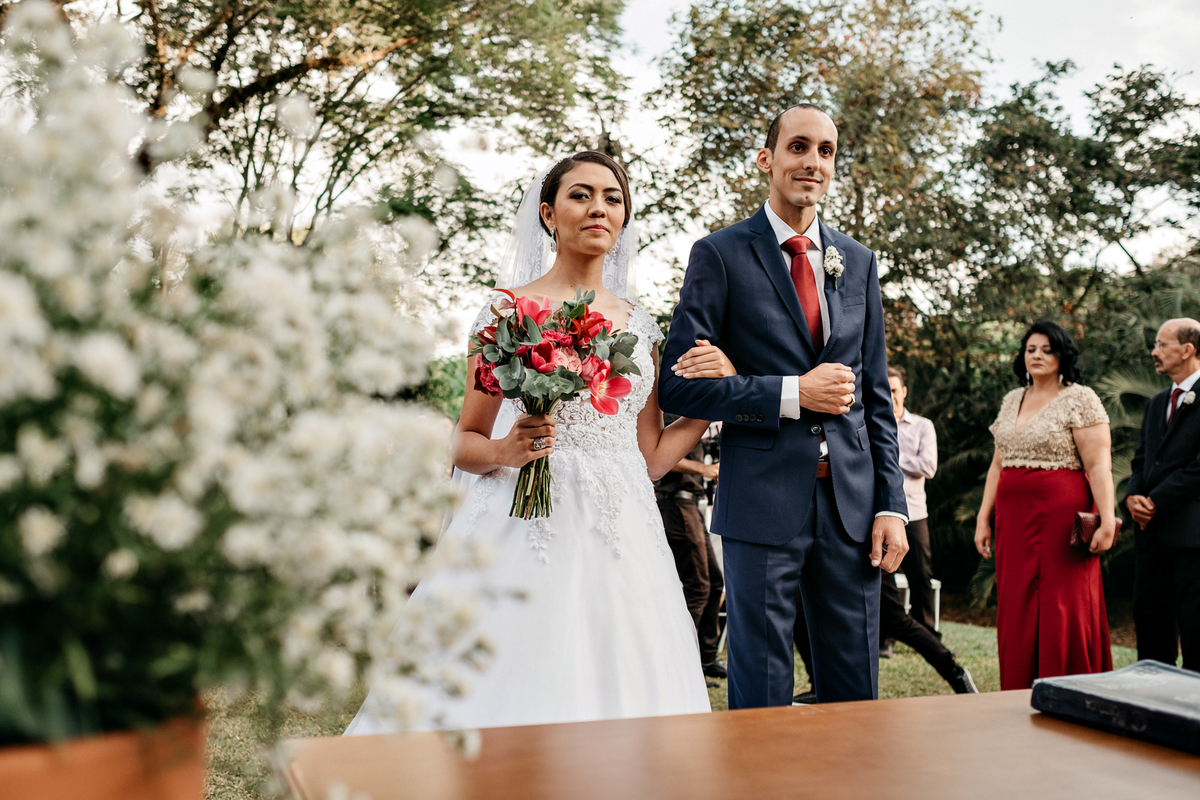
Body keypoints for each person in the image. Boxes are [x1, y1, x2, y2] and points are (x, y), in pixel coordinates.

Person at [346, 152, 731, 733]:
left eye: (612, 197)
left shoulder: (642, 326)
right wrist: (505, 450)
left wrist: (714, 403)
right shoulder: (505, 312)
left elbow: (649, 457)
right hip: (518, 526)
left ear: (624, 218)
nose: (598, 207)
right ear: (548, 214)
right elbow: (465, 440)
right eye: (581, 195)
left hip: (621, 531)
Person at [660, 103, 909, 708]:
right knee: (763, 688)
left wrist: (891, 505)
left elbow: (875, 397)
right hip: (762, 498)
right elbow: (677, 386)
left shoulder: (859, 261)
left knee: (854, 690)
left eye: (826, 151)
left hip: (853, 508)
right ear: (766, 159)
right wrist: (791, 392)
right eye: (799, 147)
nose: (813, 162)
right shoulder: (718, 254)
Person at [974, 321, 1116, 691]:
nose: (1037, 355)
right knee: (1016, 604)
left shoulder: (1081, 398)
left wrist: (1107, 519)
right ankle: (1019, 688)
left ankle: (1071, 689)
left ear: (1062, 355)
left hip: (1059, 521)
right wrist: (982, 517)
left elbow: (1098, 465)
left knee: (1061, 606)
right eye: (1031, 349)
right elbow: (997, 464)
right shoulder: (1011, 399)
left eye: (1047, 349)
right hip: (1013, 522)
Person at [1126, 318, 1200, 671]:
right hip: (1150, 536)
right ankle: (1150, 702)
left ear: (1187, 350)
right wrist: (1133, 496)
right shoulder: (1157, 403)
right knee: (1151, 626)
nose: (1154, 352)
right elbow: (1141, 458)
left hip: (1191, 537)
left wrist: (1156, 500)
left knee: (1196, 627)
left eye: (1161, 344)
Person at [655, 414, 726, 679]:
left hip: (692, 503)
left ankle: (706, 658)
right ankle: (675, 659)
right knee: (698, 585)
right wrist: (704, 470)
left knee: (715, 581)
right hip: (675, 502)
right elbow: (657, 457)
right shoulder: (672, 411)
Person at [889, 365, 939, 635]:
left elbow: (928, 466)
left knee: (920, 576)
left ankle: (927, 634)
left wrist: (890, 456)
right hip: (882, 512)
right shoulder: (874, 424)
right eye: (886, 390)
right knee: (883, 578)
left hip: (915, 513)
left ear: (904, 391)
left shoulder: (923, 426)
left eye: (895, 389)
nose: (891, 395)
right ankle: (890, 634)